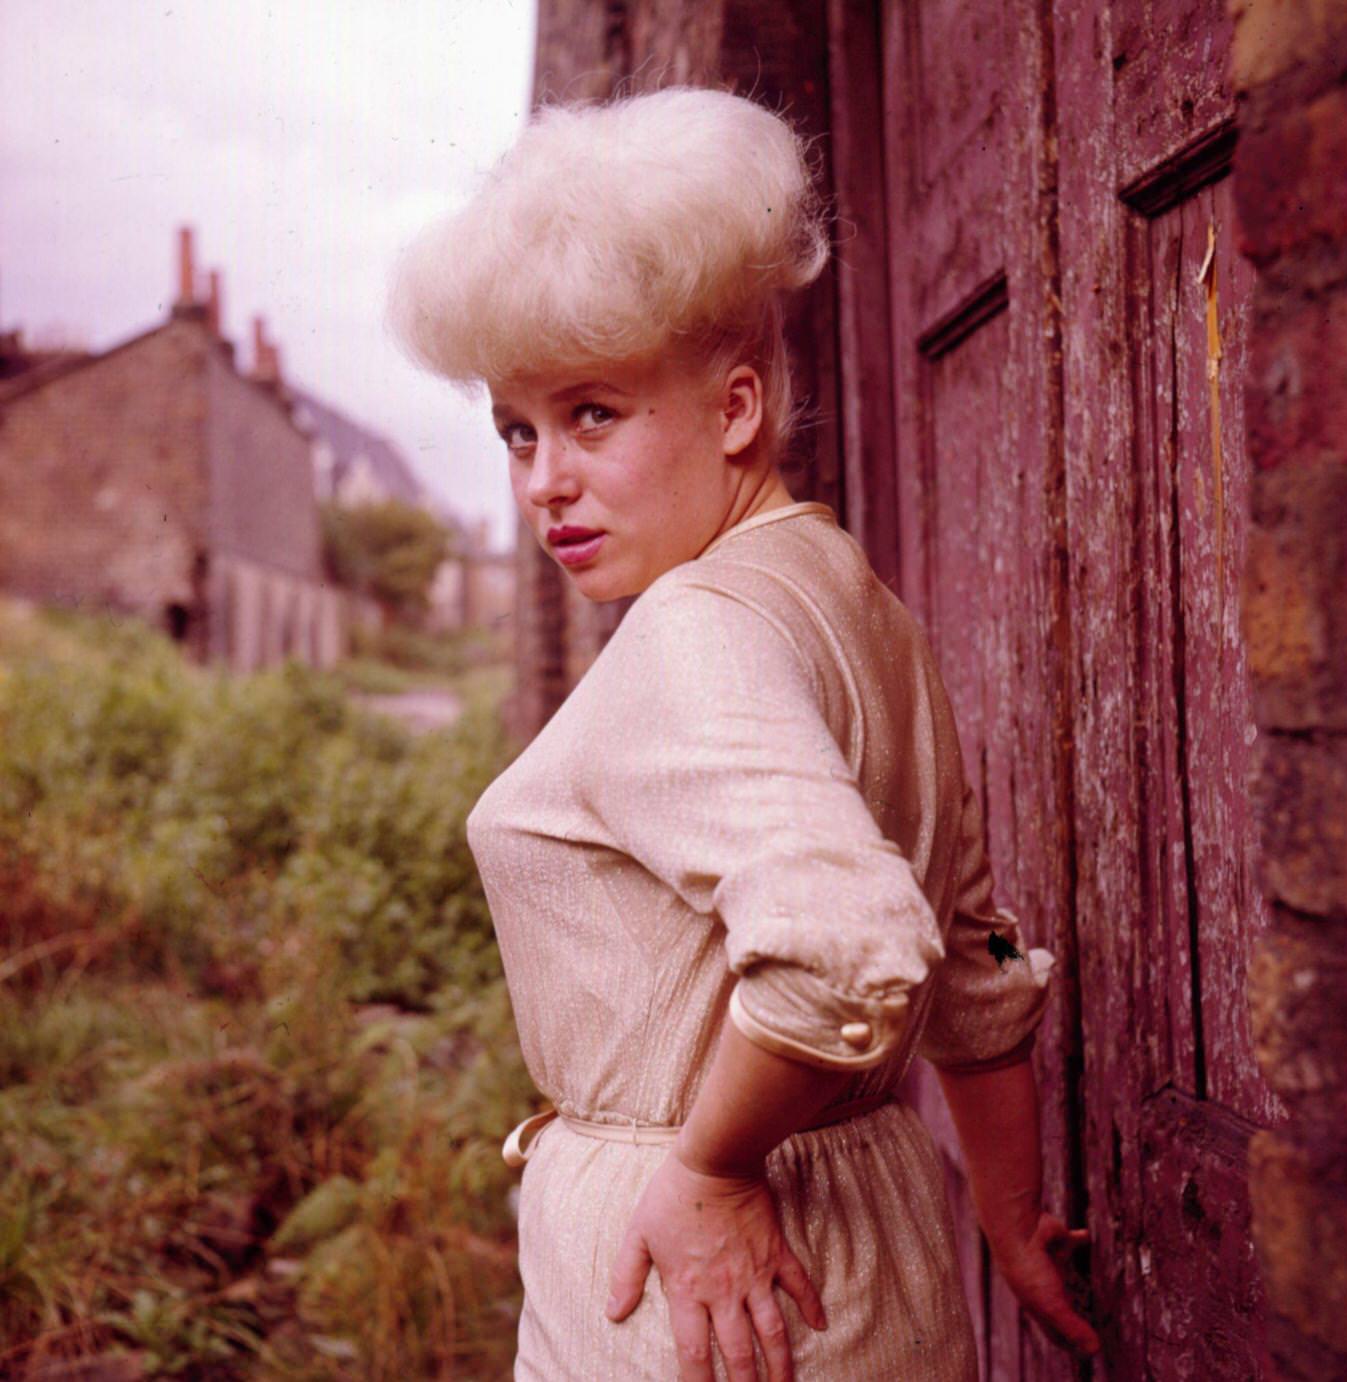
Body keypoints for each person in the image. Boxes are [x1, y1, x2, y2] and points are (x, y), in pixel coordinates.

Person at [387, 84, 1100, 1381]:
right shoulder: (850, 601)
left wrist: (711, 1162)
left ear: (733, 410)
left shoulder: (693, 631)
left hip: (716, 1296)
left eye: (593, 413)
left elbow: (856, 941)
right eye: (516, 429)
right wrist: (1004, 1218)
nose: (545, 477)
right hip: (868, 1260)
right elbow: (974, 969)